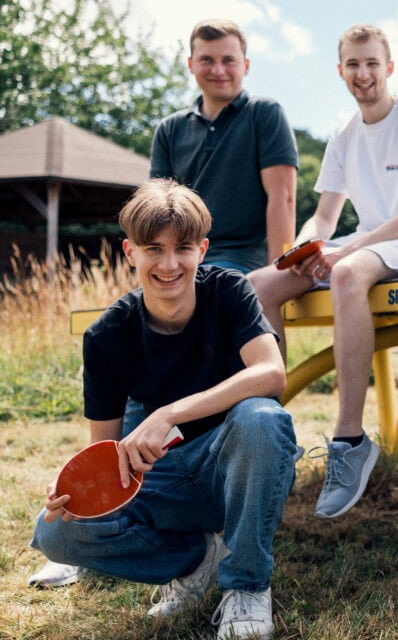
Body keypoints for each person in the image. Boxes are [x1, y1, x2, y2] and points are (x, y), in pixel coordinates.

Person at [31, 179, 298, 640]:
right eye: (153, 248)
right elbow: (104, 455)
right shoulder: (106, 336)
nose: (169, 264)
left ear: (203, 249)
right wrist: (78, 496)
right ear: (130, 252)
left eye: (184, 248)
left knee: (263, 417)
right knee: (55, 533)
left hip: (238, 467)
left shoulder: (229, 290)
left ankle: (248, 586)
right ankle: (195, 560)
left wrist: (168, 413)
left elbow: (271, 373)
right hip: (166, 480)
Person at [250, 24, 398, 520]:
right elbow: (325, 216)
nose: (363, 73)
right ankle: (269, 431)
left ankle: (350, 439)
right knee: (259, 283)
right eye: (353, 64)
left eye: (372, 63)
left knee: (347, 274)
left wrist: (343, 254)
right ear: (341, 71)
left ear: (388, 68)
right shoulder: (344, 135)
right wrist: (307, 247)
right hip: (370, 241)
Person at [150, 19, 298, 273]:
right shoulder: (169, 129)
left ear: (246, 65)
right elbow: (157, 210)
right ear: (190, 64)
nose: (218, 70)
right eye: (207, 60)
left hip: (245, 259)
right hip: (184, 258)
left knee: (206, 288)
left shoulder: (263, 114)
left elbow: (282, 198)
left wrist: (277, 273)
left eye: (228, 60)